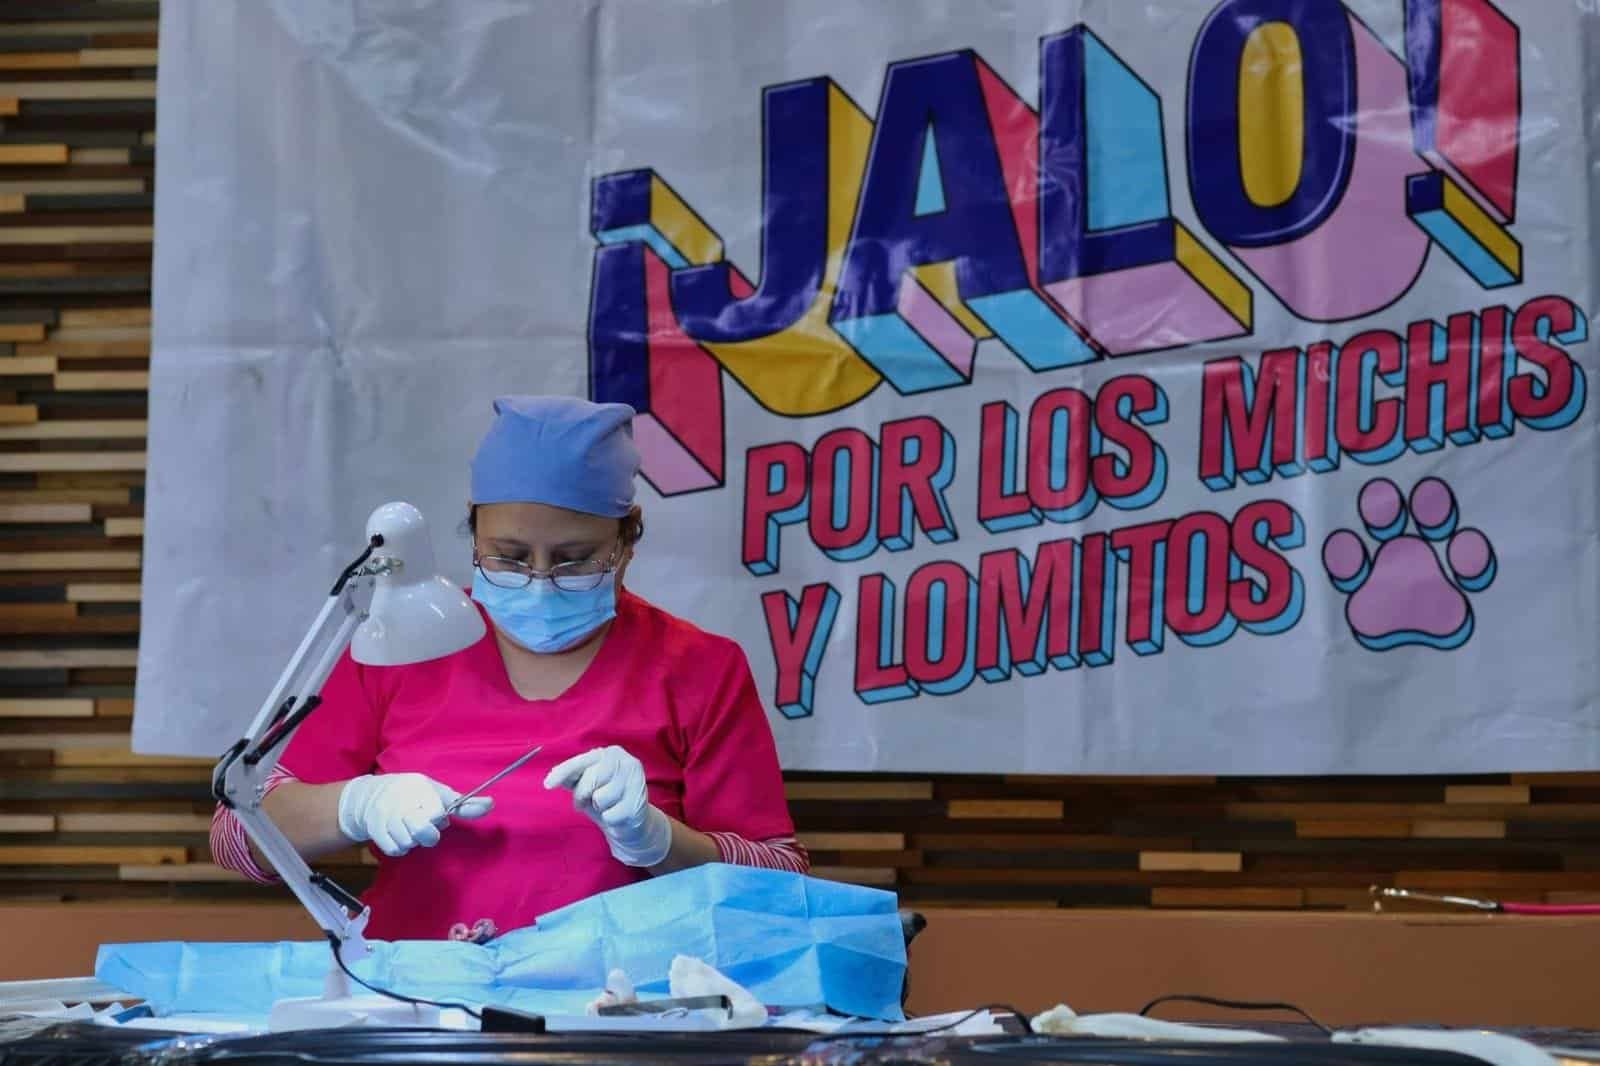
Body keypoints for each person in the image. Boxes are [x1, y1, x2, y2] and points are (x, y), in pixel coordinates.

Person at [211, 395, 807, 942]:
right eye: (510, 557)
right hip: (418, 990)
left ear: (627, 540)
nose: (540, 581)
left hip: (618, 996)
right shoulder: (402, 643)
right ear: (474, 529)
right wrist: (356, 805)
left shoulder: (698, 668)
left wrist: (657, 839)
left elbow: (781, 882)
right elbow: (236, 836)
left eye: (575, 561)